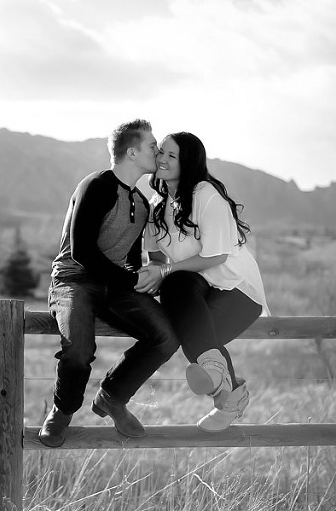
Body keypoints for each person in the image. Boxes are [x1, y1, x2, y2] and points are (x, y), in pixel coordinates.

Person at [39, 119, 181, 448]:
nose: (157, 152)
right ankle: (61, 412)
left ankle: (112, 397)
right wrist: (131, 278)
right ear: (131, 152)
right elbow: (84, 251)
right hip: (75, 280)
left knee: (165, 337)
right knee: (79, 350)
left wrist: (148, 280)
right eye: (151, 146)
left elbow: (131, 259)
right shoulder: (96, 186)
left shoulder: (142, 204)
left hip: (115, 285)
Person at [135, 132, 269, 432]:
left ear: (189, 163)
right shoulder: (156, 207)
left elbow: (216, 257)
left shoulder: (206, 195)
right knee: (177, 287)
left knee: (192, 332)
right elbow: (157, 260)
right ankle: (227, 391)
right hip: (197, 291)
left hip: (237, 291)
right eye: (162, 153)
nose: (162, 159)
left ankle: (225, 391)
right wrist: (150, 275)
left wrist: (165, 272)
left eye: (172, 155)